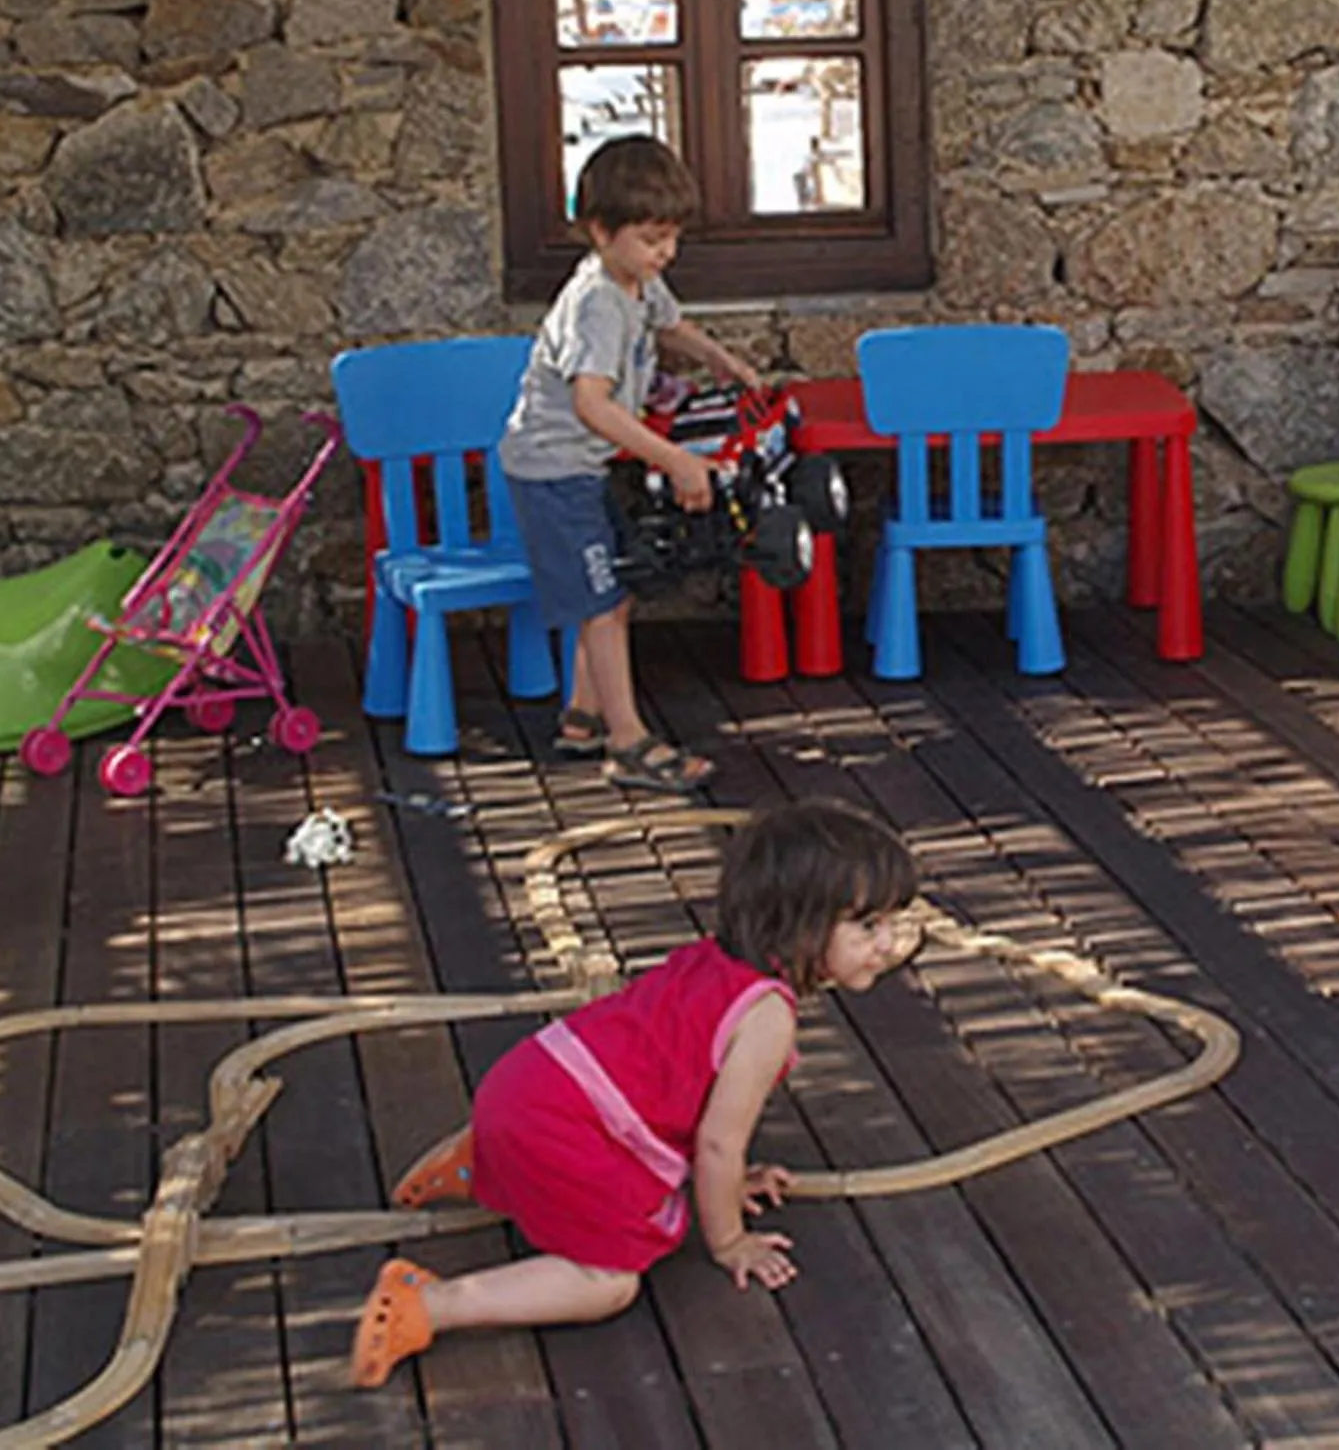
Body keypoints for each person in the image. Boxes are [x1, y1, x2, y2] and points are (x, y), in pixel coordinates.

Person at [348, 799, 920, 1387]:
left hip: (526, 1087)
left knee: (570, 1162)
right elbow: (718, 1143)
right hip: (558, 1126)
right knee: (609, 1282)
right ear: (798, 925)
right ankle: (428, 1304)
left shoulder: (716, 958)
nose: (888, 941)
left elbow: (667, 1084)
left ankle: (481, 1161)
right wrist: (728, 1241)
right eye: (867, 925)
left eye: (891, 921)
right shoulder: (768, 1016)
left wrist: (728, 1179)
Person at [501, 134, 760, 792]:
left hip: (580, 468)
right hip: (553, 471)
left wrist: (717, 358)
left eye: (671, 237)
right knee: (602, 598)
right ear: (600, 231)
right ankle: (629, 740)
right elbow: (592, 403)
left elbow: (671, 324)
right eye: (651, 238)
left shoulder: (638, 281)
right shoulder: (596, 304)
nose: (664, 252)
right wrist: (674, 459)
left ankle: (583, 717)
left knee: (610, 588)